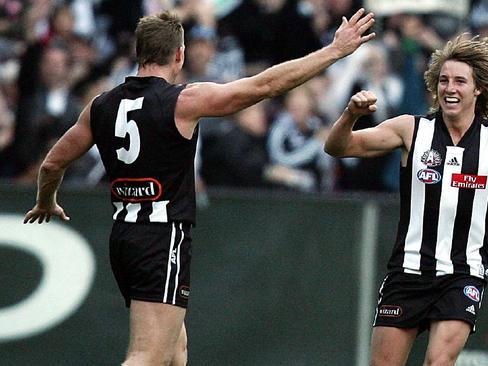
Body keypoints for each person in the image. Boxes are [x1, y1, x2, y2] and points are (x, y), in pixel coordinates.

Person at [23, 9, 375, 366]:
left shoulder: (100, 105)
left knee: (176, 354)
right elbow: (265, 85)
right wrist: (332, 52)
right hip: (162, 237)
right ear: (179, 54)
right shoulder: (182, 101)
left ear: (138, 52)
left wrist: (46, 200)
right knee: (148, 355)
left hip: (125, 237)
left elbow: (52, 163)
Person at [324, 34, 488, 366]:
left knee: (438, 362)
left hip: (462, 274)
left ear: (477, 88)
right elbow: (337, 147)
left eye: (460, 81)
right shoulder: (410, 130)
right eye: (444, 80)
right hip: (407, 273)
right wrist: (350, 114)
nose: (450, 88)